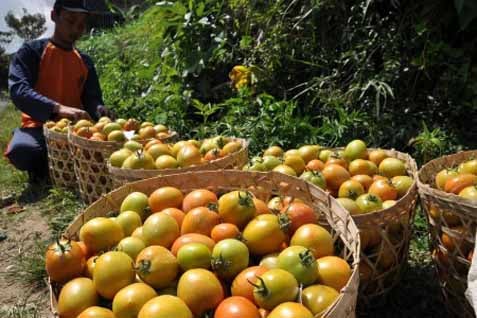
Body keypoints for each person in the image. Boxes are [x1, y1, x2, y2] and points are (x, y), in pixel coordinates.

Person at [4, 0, 113, 185]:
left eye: (81, 24)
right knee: (22, 151)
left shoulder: (85, 61)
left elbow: (92, 99)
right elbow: (19, 90)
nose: (76, 29)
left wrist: (100, 110)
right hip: (38, 126)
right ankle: (45, 167)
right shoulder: (31, 52)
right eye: (70, 21)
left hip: (77, 128)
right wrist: (58, 108)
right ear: (54, 16)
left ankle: (59, 166)